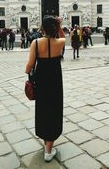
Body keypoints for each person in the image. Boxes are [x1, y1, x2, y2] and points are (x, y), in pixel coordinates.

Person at [25, 16, 65, 162]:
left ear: (42, 28)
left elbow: (29, 67)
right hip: (55, 82)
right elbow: (62, 36)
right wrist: (59, 25)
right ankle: (49, 148)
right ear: (55, 28)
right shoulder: (60, 42)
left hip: (41, 83)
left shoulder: (35, 43)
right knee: (54, 110)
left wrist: (28, 70)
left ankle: (47, 148)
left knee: (43, 110)